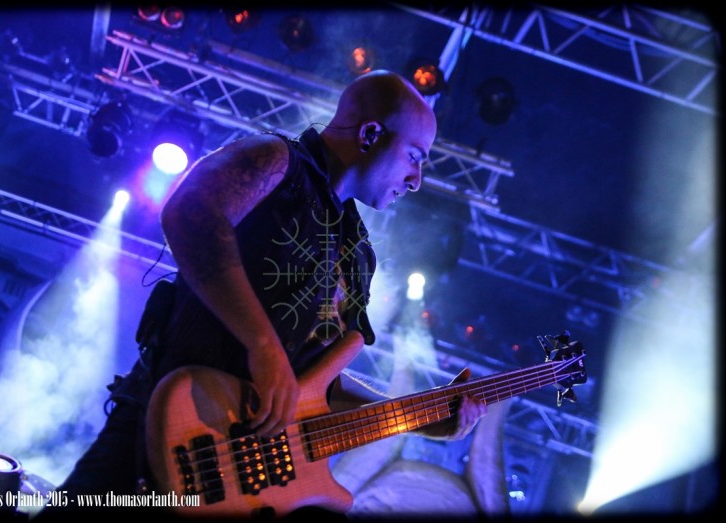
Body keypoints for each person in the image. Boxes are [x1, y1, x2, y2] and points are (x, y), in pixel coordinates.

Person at [38, 69, 487, 520]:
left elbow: (319, 383)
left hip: (240, 482)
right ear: (370, 134)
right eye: (414, 156)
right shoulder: (276, 160)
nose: (416, 179)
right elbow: (190, 213)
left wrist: (417, 418)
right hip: (165, 428)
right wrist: (263, 344)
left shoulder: (357, 253)